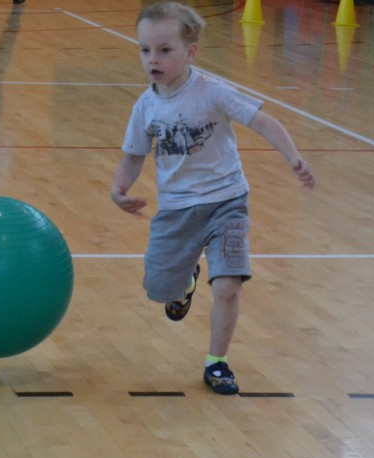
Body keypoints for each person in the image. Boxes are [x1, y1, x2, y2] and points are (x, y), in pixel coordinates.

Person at [110, 1, 315, 395]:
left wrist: (294, 158)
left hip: (227, 202)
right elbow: (134, 154)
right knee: (160, 288)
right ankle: (185, 280)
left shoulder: (213, 92)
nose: (153, 59)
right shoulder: (145, 106)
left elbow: (263, 121)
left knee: (228, 285)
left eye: (164, 50)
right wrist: (119, 188)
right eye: (145, 50)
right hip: (177, 209)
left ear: (191, 52)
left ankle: (216, 362)